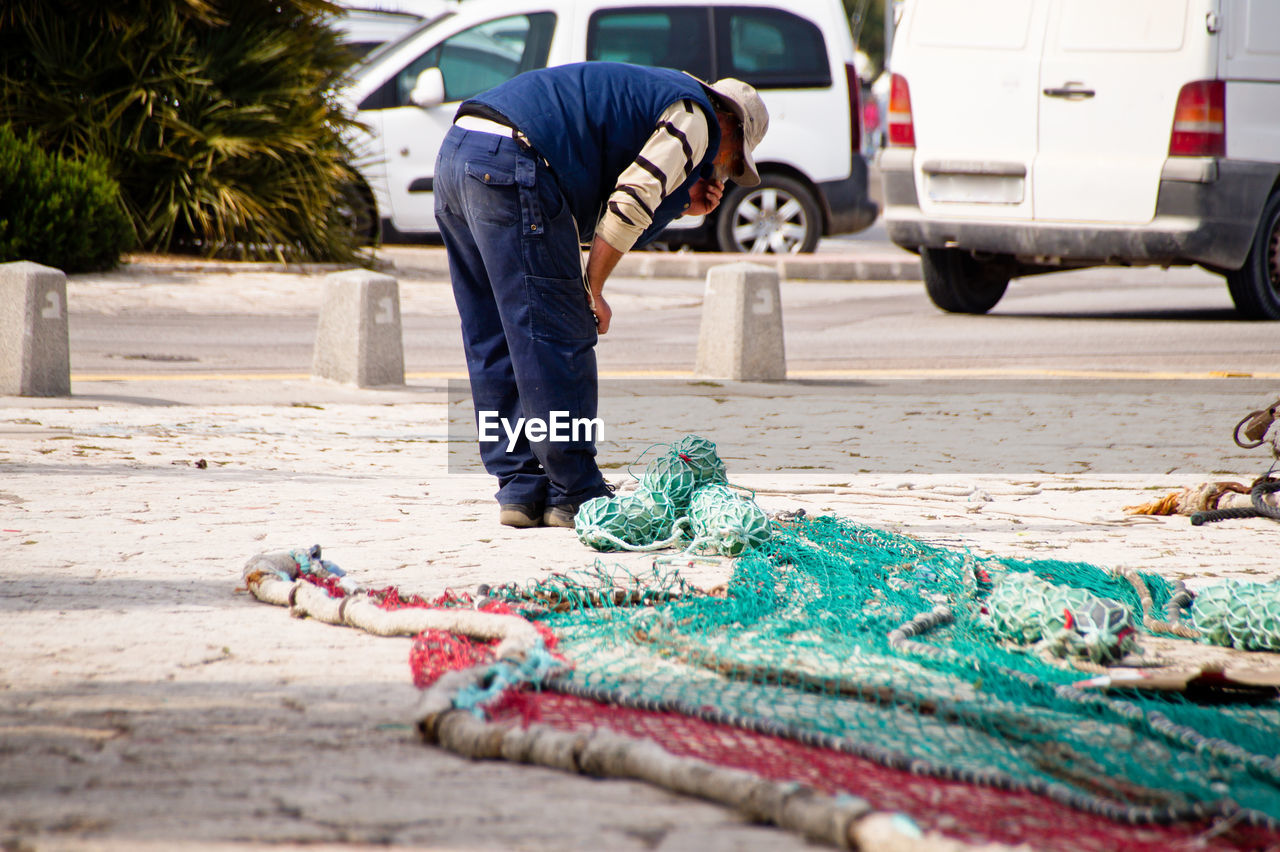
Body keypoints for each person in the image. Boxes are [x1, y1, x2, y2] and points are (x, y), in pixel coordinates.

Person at [434, 61, 769, 529]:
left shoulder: (651, 94)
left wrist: (679, 201)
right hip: (515, 162)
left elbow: (583, 216)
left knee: (494, 335)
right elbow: (630, 202)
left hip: (459, 155)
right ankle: (576, 492)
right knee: (558, 329)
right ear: (730, 122)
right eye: (733, 160)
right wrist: (592, 291)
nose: (725, 171)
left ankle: (521, 486)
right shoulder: (699, 119)